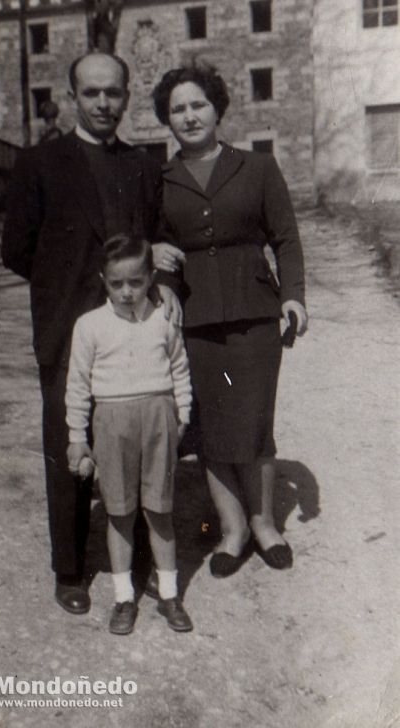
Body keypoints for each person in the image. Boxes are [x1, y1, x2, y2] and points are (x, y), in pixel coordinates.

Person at [1, 52, 179, 615]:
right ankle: (71, 569)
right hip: (67, 331)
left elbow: (158, 241)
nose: (103, 103)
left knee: (140, 442)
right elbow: (16, 250)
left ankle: (147, 556)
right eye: (92, 93)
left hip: (134, 331)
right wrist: (68, 288)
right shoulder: (38, 163)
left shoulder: (144, 166)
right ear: (74, 96)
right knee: (69, 446)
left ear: (127, 96)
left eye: (113, 93)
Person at [152, 64, 308, 576]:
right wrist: (162, 275)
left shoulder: (258, 167)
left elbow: (285, 237)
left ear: (218, 109)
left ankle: (265, 524)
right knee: (212, 424)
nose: (190, 116)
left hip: (255, 313)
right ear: (167, 121)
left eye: (198, 105)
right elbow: (159, 249)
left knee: (256, 419)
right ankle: (232, 528)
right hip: (194, 319)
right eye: (178, 109)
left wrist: (294, 297)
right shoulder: (161, 180)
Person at [65, 233, 193, 635]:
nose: (126, 292)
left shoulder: (163, 320)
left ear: (150, 278)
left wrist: (182, 415)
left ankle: (169, 595)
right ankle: (123, 599)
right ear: (104, 280)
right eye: (117, 283)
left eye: (135, 282)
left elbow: (180, 370)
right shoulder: (89, 327)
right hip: (112, 423)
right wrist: (76, 435)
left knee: (160, 510)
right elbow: (78, 385)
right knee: (119, 514)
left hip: (158, 418)